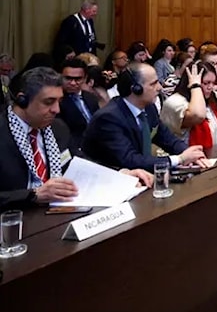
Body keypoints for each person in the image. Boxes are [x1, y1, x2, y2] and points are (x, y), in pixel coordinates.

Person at [1, 68, 152, 210]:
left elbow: (79, 162)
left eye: (59, 102)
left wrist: (120, 174)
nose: (56, 110)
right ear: (22, 100)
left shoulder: (57, 128)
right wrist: (34, 195)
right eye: (48, 102)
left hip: (57, 213)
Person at [82, 63, 207, 171]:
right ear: (136, 89)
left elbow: (167, 139)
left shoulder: (148, 108)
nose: (160, 87)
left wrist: (192, 154)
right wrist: (179, 159)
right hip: (111, 180)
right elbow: (129, 159)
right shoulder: (109, 118)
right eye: (153, 84)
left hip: (141, 175)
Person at [161, 62, 217, 149]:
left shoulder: (214, 98)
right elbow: (198, 115)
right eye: (206, 83)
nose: (210, 87)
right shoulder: (175, 102)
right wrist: (195, 86)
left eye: (213, 83)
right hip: (189, 158)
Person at [56, 58, 99, 154]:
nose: (73, 83)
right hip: (75, 150)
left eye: (77, 79)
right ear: (60, 76)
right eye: (68, 78)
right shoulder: (56, 101)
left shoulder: (91, 97)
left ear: (85, 78)